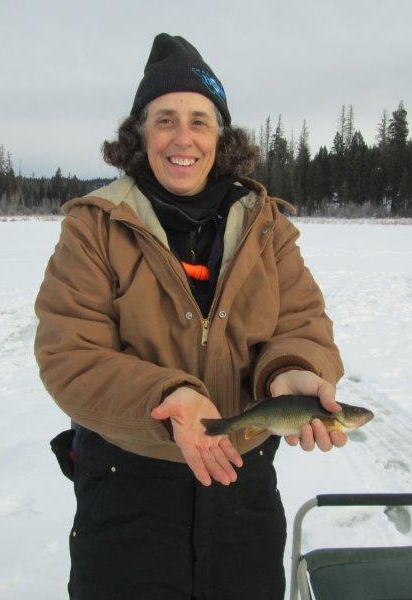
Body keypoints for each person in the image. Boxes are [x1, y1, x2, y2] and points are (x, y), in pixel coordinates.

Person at [34, 33, 344, 600]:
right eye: (165, 120)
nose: (184, 138)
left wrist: (290, 373)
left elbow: (301, 322)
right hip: (127, 485)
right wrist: (170, 395)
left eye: (200, 121)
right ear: (139, 136)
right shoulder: (95, 226)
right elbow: (69, 355)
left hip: (243, 487)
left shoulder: (266, 226)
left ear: (221, 138)